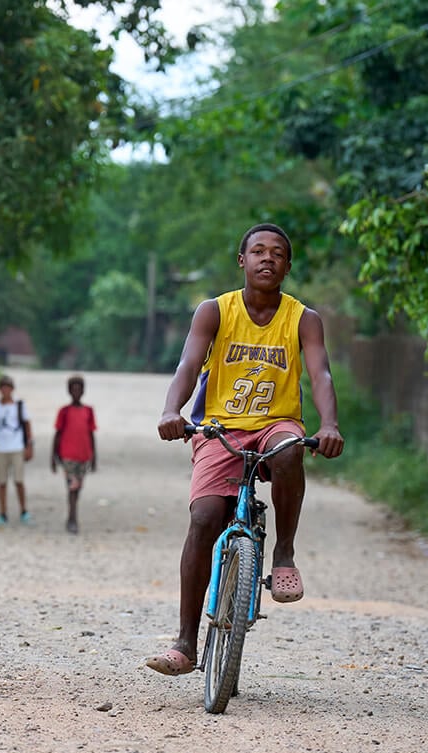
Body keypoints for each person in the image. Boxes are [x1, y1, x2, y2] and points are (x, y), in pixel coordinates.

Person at [146, 223, 344, 675]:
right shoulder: (214, 311)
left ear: (288, 267)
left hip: (277, 423)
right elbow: (188, 363)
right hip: (222, 428)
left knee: (291, 448)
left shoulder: (303, 318)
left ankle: (284, 555)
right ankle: (184, 643)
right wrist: (170, 410)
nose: (267, 258)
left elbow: (321, 376)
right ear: (242, 261)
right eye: (258, 251)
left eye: (277, 253)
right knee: (204, 519)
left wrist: (329, 424)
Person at [51, 374, 97, 534]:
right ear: (69, 391)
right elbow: (58, 434)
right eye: (73, 389)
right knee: (72, 487)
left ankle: (72, 514)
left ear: (83, 391)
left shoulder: (88, 411)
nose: (76, 392)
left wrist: (94, 457)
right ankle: (72, 518)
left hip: (84, 455)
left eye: (79, 389)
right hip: (68, 455)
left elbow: (91, 434)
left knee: (78, 488)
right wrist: (53, 457)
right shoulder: (64, 411)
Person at [0, 374, 34, 525]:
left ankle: (24, 510)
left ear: (12, 389)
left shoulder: (19, 406)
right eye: (3, 388)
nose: (5, 391)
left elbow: (27, 426)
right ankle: (3, 512)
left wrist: (29, 445)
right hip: (1, 448)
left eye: (8, 388)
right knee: (2, 482)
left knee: (19, 480)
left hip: (17, 447)